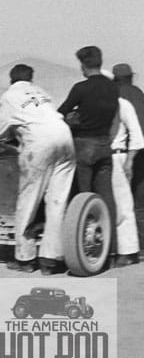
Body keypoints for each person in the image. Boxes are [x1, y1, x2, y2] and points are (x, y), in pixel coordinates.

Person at [0, 64, 76, 274]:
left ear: (11, 79)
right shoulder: (43, 93)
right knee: (57, 201)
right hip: (65, 138)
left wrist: (13, 137)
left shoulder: (9, 96)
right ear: (31, 78)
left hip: (40, 143)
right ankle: (50, 259)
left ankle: (25, 258)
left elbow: (0, 132)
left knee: (28, 200)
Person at [58, 46, 119, 258]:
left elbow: (61, 112)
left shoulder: (80, 88)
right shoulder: (112, 88)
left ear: (83, 65)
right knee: (106, 198)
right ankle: (110, 249)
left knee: (81, 198)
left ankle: (80, 250)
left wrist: (74, 116)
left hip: (83, 145)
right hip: (105, 145)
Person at [109, 92, 144, 266]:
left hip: (117, 155)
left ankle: (129, 251)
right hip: (100, 157)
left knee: (124, 205)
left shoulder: (122, 104)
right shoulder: (94, 103)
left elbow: (137, 136)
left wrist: (129, 160)